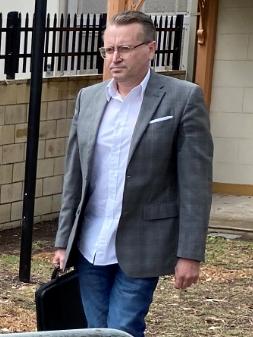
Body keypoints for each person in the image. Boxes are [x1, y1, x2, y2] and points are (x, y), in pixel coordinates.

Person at [53, 10, 213, 337]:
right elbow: (75, 175)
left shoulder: (182, 98)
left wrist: (190, 253)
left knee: (123, 329)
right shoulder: (89, 98)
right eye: (108, 49)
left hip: (144, 243)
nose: (115, 57)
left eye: (124, 48)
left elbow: (195, 184)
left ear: (150, 48)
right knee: (95, 330)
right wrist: (62, 241)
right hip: (89, 244)